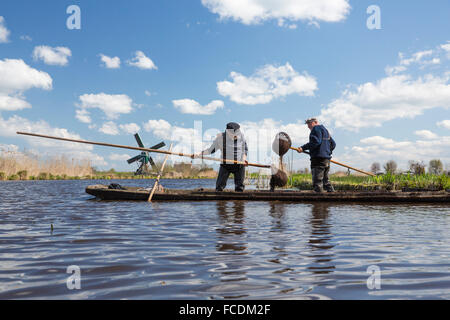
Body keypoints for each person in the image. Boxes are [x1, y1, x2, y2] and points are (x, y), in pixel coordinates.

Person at [193, 122, 248, 192]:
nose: (236, 135)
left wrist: (243, 159)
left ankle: (239, 202)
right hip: (225, 165)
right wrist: (199, 154)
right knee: (219, 188)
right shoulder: (220, 139)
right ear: (228, 132)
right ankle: (220, 201)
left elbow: (245, 149)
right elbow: (210, 150)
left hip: (239, 165)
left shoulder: (241, 136)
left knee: (239, 188)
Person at [296, 118, 336, 193]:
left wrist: (303, 148)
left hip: (318, 159)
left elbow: (316, 142)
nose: (308, 126)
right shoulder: (326, 131)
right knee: (326, 181)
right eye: (307, 124)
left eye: (309, 123)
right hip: (326, 159)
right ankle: (332, 196)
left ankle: (319, 202)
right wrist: (327, 152)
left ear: (315, 122)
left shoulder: (316, 128)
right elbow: (333, 144)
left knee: (317, 181)